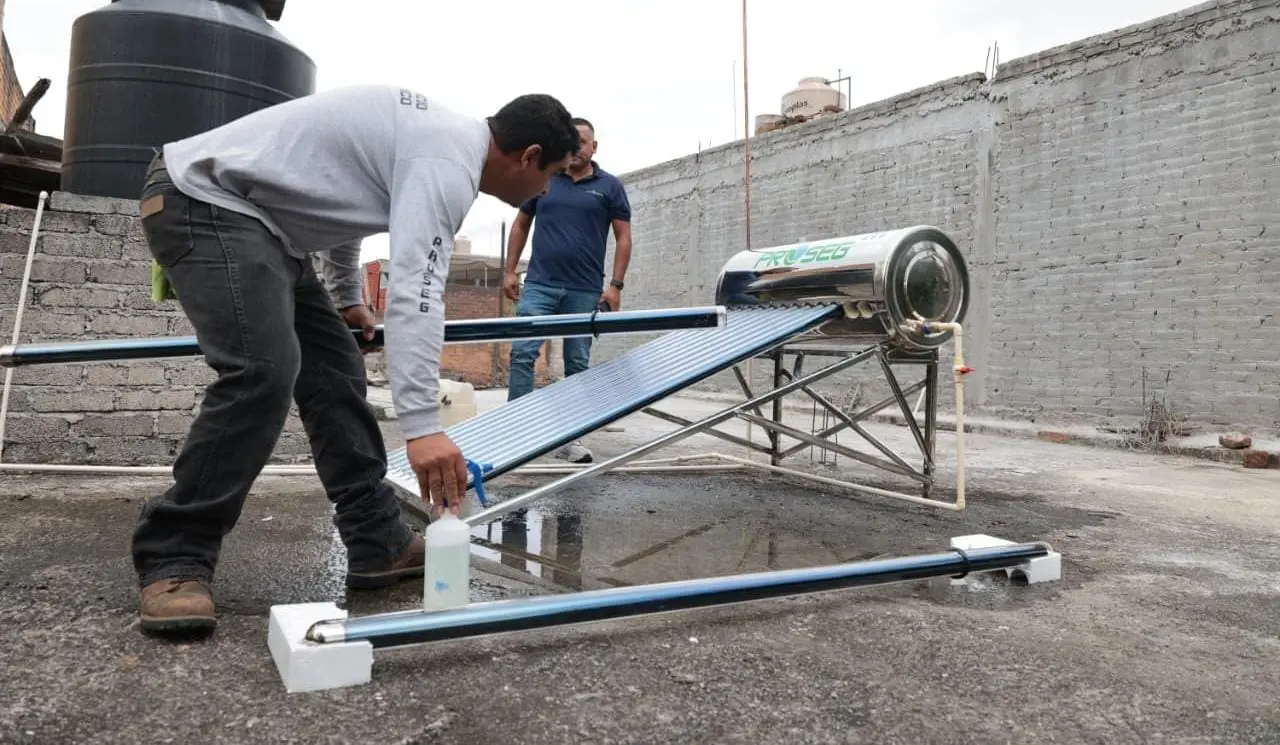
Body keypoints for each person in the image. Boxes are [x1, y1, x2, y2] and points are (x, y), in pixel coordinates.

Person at [131, 84, 580, 634]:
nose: (547, 189)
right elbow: (418, 293)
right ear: (529, 156)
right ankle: (174, 555)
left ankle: (379, 542)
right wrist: (422, 427)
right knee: (263, 368)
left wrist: (347, 298)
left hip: (267, 229)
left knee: (336, 369)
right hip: (205, 199)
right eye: (553, 174)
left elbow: (350, 213)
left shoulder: (433, 144)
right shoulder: (446, 162)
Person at [501, 117, 633, 463]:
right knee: (523, 353)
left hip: (584, 290)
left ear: (594, 146)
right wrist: (510, 270)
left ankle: (571, 439)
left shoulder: (610, 187)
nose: (576, 149)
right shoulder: (546, 179)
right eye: (571, 143)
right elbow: (520, 224)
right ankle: (515, 433)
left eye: (583, 142)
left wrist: (615, 286)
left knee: (577, 362)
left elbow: (623, 237)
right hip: (540, 285)